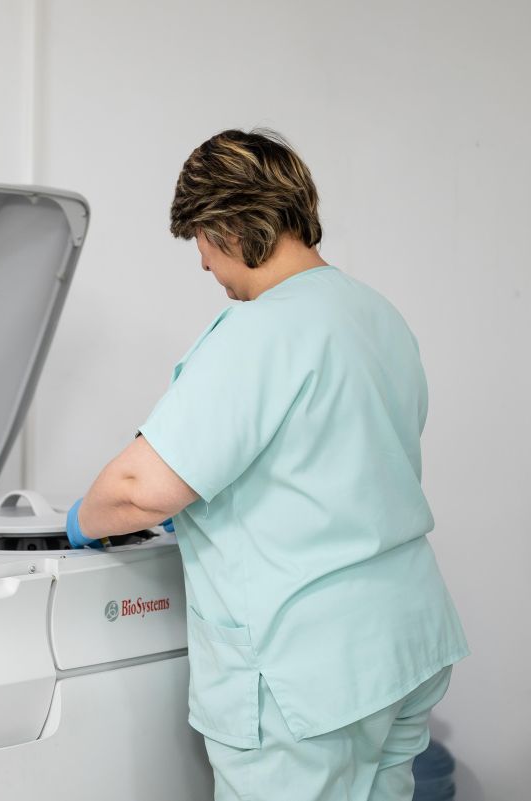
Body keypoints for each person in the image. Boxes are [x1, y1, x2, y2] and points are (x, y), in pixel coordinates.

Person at [66, 129, 468, 801]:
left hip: (307, 673)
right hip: (402, 643)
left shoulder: (262, 330)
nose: (202, 263)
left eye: (199, 239)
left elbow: (139, 489)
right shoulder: (377, 315)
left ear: (228, 226)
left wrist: (81, 520)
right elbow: (335, 464)